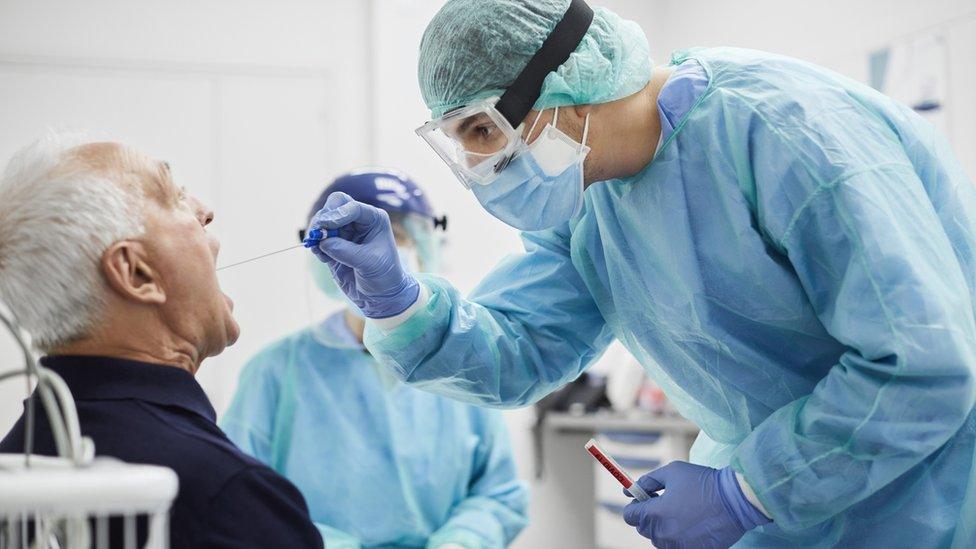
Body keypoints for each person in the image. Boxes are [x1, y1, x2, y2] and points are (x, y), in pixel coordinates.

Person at [304, 0, 976, 547]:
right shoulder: (587, 199)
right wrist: (399, 303)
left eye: (482, 131)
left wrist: (745, 491)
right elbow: (521, 348)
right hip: (800, 513)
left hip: (931, 498)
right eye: (460, 141)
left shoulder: (785, 133)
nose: (480, 166)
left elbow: (923, 367)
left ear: (561, 87)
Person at [0, 135, 323, 548]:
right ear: (136, 274)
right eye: (173, 196)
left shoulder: (20, 462)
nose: (206, 211)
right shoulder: (227, 497)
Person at [221, 169, 529, 549]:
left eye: (395, 238)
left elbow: (497, 493)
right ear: (323, 256)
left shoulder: (459, 363)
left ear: (426, 243)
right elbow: (243, 497)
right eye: (354, 240)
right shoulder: (275, 373)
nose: (375, 256)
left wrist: (462, 541)